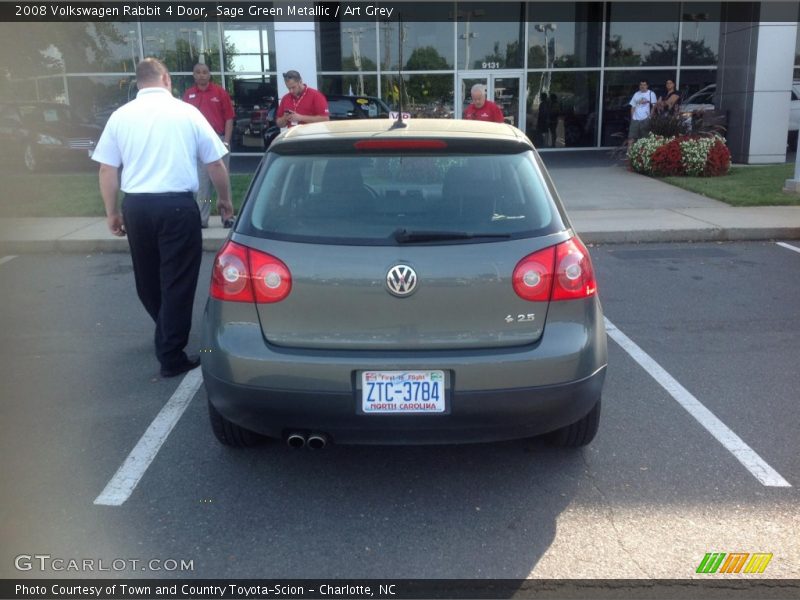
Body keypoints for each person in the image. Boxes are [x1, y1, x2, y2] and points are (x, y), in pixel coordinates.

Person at [92, 58, 233, 378]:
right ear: (166, 79)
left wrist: (112, 211)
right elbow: (215, 164)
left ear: (139, 82)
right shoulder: (186, 112)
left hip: (137, 207)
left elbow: (106, 169)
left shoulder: (120, 116)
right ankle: (171, 354)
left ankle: (166, 330)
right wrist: (223, 200)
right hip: (177, 208)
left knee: (148, 278)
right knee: (178, 281)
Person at [182, 63, 235, 228]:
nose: (201, 75)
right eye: (198, 72)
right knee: (202, 185)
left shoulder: (220, 93)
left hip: (218, 141)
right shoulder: (188, 95)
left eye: (204, 72)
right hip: (198, 144)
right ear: (194, 75)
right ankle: (202, 219)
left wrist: (226, 141)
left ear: (209, 74)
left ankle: (227, 217)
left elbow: (229, 118)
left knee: (222, 182)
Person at [627, 79, 657, 145]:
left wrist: (649, 117)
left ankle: (643, 154)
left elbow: (654, 107)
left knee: (645, 139)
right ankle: (629, 154)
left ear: (647, 86)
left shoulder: (651, 94)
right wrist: (633, 117)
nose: (642, 86)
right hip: (635, 120)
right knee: (631, 138)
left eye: (644, 85)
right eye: (641, 85)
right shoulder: (636, 94)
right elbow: (633, 106)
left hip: (645, 119)